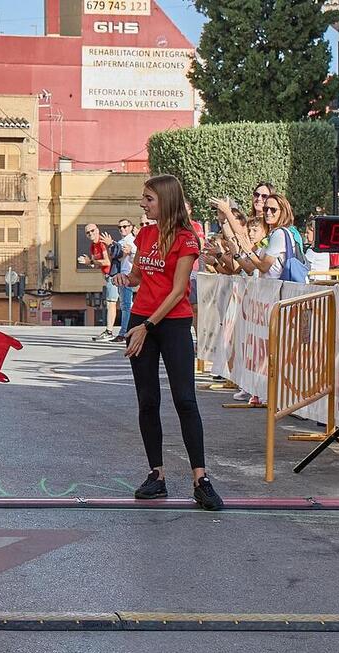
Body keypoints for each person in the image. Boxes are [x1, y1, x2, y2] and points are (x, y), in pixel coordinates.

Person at [112, 174, 223, 511]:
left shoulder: (187, 239)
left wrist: (146, 325)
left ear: (166, 199)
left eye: (148, 199)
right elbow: (139, 278)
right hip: (141, 321)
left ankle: (200, 479)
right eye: (143, 199)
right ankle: (156, 475)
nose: (142, 205)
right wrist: (125, 278)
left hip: (170, 323)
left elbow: (177, 291)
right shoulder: (145, 234)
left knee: (185, 400)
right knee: (147, 400)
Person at [78, 223, 117, 341]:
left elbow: (107, 262)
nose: (91, 234)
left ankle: (109, 331)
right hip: (107, 276)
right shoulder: (92, 246)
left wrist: (91, 261)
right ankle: (111, 331)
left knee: (112, 303)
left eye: (92, 230)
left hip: (114, 275)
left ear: (97, 230)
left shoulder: (101, 243)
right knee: (113, 303)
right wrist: (89, 263)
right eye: (88, 232)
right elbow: (96, 264)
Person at [106, 219, 136, 343]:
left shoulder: (131, 241)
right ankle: (126, 331)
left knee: (126, 305)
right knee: (126, 305)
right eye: (120, 227)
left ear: (131, 227)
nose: (122, 229)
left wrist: (111, 244)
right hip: (123, 275)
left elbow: (120, 255)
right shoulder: (123, 241)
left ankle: (124, 332)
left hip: (128, 275)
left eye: (125, 226)